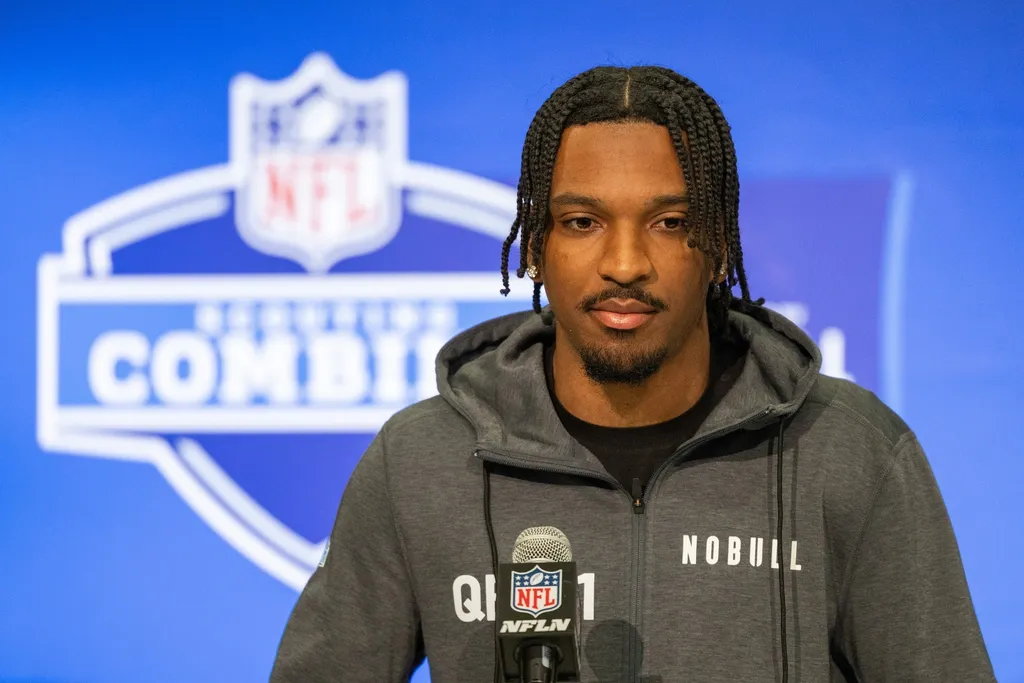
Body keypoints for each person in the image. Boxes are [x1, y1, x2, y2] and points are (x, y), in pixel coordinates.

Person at [268, 66, 994, 682]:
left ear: (717, 245)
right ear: (536, 249)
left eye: (669, 222)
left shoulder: (851, 452)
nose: (624, 263)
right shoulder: (420, 462)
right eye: (582, 221)